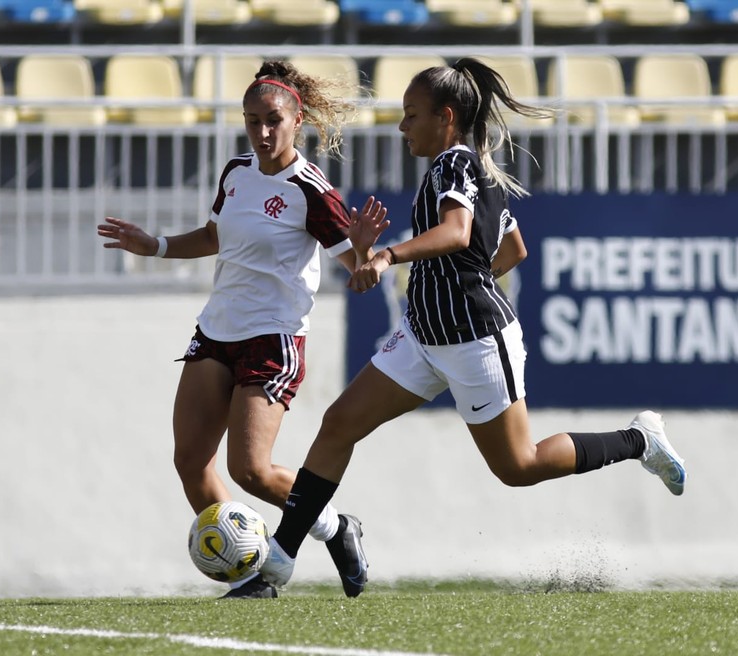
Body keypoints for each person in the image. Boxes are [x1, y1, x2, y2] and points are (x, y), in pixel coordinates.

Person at [258, 57, 687, 590]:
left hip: (476, 341)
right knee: (340, 423)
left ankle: (638, 440)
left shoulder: (453, 165)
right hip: (423, 336)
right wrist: (459, 280)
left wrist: (391, 257)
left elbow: (459, 233)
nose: (402, 127)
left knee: (518, 467)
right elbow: (514, 248)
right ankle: (279, 559)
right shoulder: (471, 168)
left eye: (411, 115)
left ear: (447, 117)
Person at [97, 60, 381, 599]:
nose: (263, 132)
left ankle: (337, 528)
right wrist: (153, 245)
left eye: (272, 120)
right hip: (216, 332)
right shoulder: (235, 172)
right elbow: (214, 235)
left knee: (250, 470)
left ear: (298, 120)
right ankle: (253, 576)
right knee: (190, 462)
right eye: (252, 121)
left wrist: (365, 249)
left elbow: (359, 275)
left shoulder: (313, 191)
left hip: (273, 339)